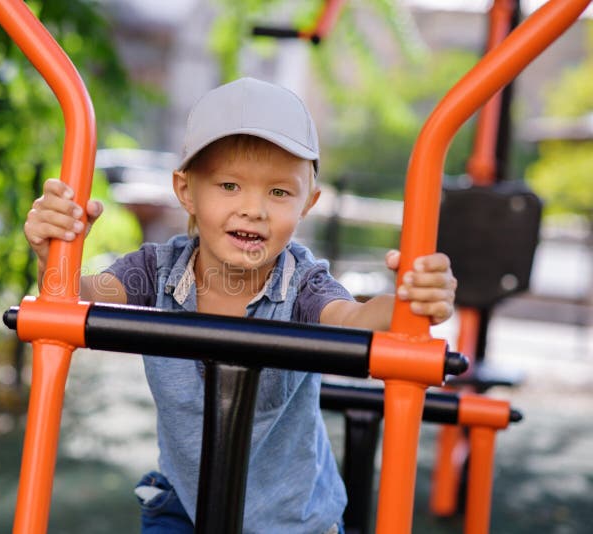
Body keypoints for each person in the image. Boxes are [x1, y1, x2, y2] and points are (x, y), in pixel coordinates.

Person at [24, 77, 456, 533]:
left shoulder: (302, 284)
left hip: (293, 522)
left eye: (279, 192)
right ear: (186, 190)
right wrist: (56, 252)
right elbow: (78, 297)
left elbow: (353, 320)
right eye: (229, 185)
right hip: (186, 505)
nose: (253, 209)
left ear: (308, 202)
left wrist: (410, 299)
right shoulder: (156, 271)